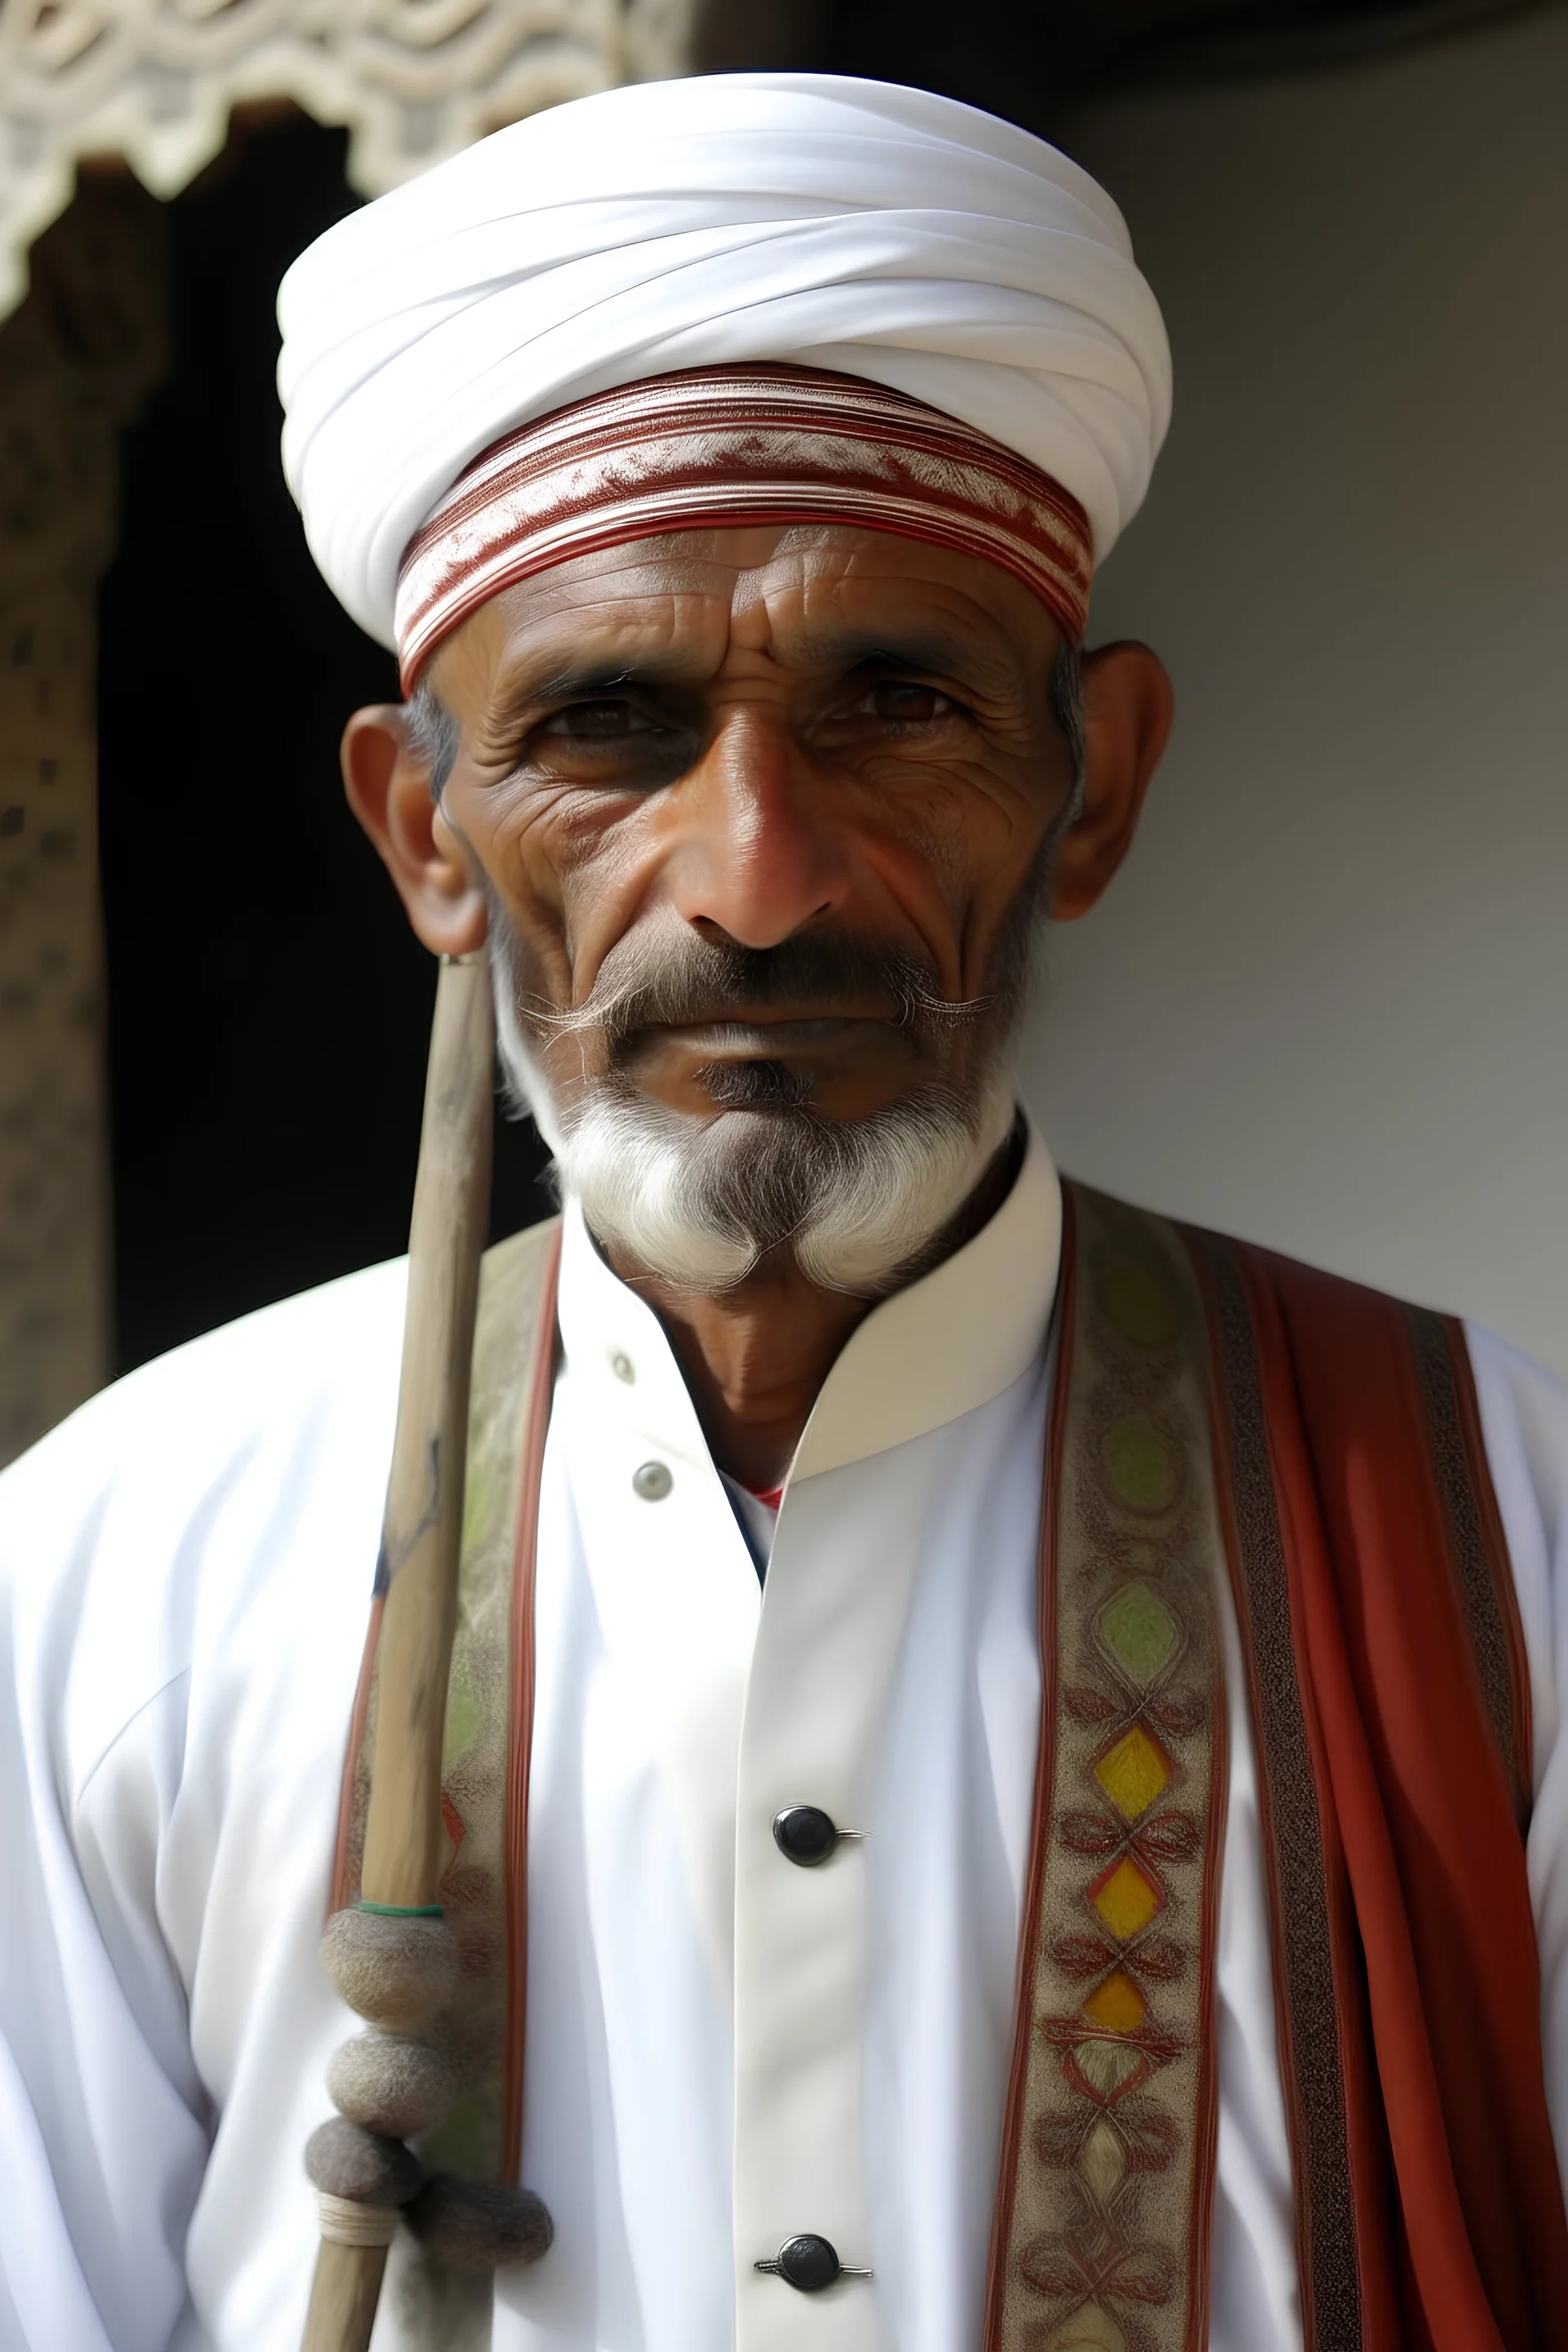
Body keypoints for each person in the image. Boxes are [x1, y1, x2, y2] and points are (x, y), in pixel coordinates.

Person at [0, 69, 1564, 2352]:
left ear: (1095, 787)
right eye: (611, 724)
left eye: (896, 703)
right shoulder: (124, 1581)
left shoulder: (1496, 1531)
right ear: (429, 841)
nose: (754, 879)